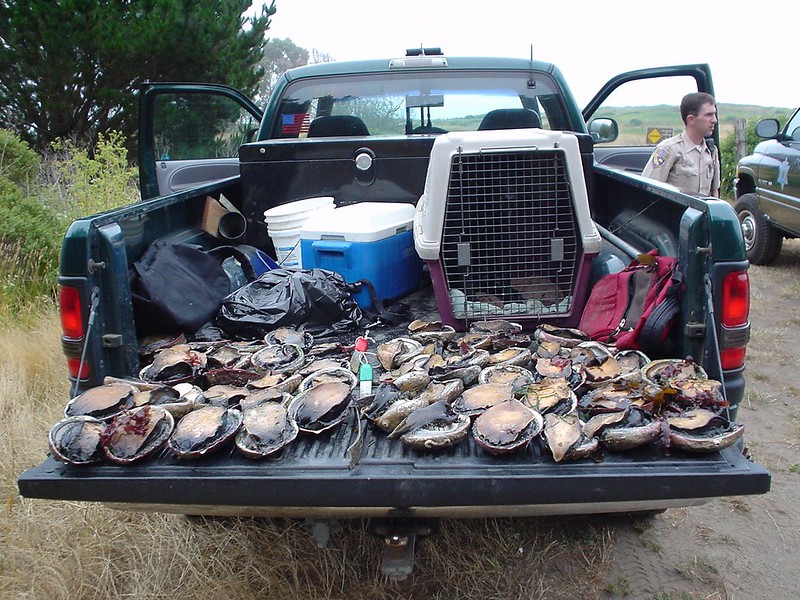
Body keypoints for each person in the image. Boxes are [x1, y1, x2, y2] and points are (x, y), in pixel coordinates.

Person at [641, 92, 720, 197]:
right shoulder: (669, 149)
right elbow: (648, 189)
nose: (714, 120)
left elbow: (715, 193)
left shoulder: (711, 151)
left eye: (714, 114)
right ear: (691, 119)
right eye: (708, 115)